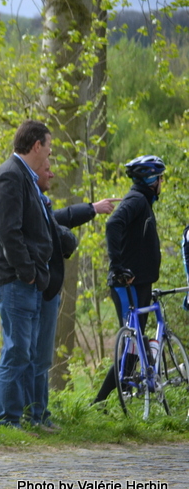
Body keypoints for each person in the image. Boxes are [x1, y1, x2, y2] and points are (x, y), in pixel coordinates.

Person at [31, 159, 119, 428]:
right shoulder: (28, 195)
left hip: (47, 285)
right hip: (35, 282)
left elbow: (61, 217)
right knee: (25, 353)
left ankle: (38, 413)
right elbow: (57, 222)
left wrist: (92, 208)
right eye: (47, 169)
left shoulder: (40, 199)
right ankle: (22, 415)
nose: (53, 173)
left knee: (41, 355)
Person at [0, 119, 52, 429]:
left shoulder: (23, 177)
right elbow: (8, 232)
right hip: (14, 279)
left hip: (28, 279)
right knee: (17, 349)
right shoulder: (9, 178)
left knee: (26, 350)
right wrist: (27, 272)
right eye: (48, 147)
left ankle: (20, 415)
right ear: (36, 145)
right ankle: (5, 419)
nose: (48, 153)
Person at [92, 155, 165, 405]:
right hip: (128, 284)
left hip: (140, 283)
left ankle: (111, 400)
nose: (162, 183)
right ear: (151, 180)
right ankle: (100, 401)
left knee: (135, 345)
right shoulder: (136, 200)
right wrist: (118, 266)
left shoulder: (143, 202)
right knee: (132, 344)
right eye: (160, 178)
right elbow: (113, 224)